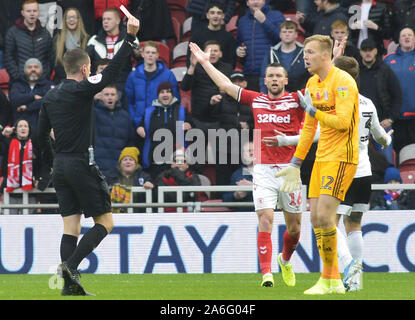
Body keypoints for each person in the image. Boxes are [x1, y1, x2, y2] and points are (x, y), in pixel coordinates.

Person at [37, 15, 140, 296]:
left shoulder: (49, 97)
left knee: (71, 226)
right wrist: (129, 39)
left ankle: (69, 288)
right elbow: (112, 73)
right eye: (90, 68)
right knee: (106, 222)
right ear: (85, 69)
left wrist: (46, 166)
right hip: (82, 163)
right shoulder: (83, 89)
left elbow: (40, 136)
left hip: (60, 165)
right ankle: (70, 266)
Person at [189, 41, 306, 288]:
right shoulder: (257, 100)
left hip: (290, 170)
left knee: (294, 228)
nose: (274, 79)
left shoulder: (298, 100)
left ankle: (285, 260)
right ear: (265, 80)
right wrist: (205, 63)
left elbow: (323, 86)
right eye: (270, 76)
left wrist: (335, 58)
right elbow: (225, 85)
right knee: (265, 219)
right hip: (263, 169)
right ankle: (266, 273)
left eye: (278, 76)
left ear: (285, 80)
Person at [275, 34, 360, 295]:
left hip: (342, 157)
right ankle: (332, 280)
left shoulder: (344, 82)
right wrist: (295, 162)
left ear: (326, 55)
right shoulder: (312, 83)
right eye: (305, 53)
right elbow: (310, 128)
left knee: (325, 216)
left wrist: (315, 111)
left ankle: (329, 278)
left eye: (310, 52)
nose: (305, 57)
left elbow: (344, 122)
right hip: (321, 158)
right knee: (314, 218)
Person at [332, 56, 392, 292]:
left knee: (328, 222)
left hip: (341, 169)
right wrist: (387, 139)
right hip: (364, 171)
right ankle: (355, 282)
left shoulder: (337, 103)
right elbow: (380, 137)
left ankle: (348, 269)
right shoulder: (367, 103)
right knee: (354, 223)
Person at [137, 81, 192, 180]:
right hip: (154, 161)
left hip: (175, 162)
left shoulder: (181, 110)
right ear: (158, 95)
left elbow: (192, 126)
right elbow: (141, 125)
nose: (165, 94)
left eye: (168, 92)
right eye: (162, 92)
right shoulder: (149, 111)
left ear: (172, 94)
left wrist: (188, 124)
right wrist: (139, 128)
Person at [358, 38, 401, 164]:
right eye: (364, 50)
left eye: (370, 50)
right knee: (358, 160)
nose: (367, 53)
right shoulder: (356, 72)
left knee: (386, 160)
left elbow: (397, 96)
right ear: (360, 52)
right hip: (360, 123)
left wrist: (390, 119)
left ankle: (387, 182)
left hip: (382, 123)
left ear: (376, 51)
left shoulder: (385, 70)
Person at [125, 41, 180, 131]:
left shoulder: (168, 75)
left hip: (162, 125)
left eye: (153, 52)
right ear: (142, 54)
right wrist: (134, 120)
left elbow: (175, 100)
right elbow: (128, 102)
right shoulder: (133, 76)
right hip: (138, 126)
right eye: (147, 52)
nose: (150, 55)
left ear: (157, 55)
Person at [181, 40, 232, 137]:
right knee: (198, 151)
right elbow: (185, 87)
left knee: (218, 151)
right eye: (209, 51)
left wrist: (225, 91)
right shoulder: (197, 67)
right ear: (203, 54)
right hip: (199, 118)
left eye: (215, 51)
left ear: (220, 54)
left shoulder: (227, 68)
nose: (212, 53)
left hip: (220, 118)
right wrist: (192, 66)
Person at [235, 0, 285, 91]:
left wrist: (264, 21)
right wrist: (239, 51)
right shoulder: (242, 21)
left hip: (271, 73)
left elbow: (282, 38)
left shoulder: (276, 15)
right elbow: (239, 43)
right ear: (247, 3)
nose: (255, 2)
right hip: (249, 72)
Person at [86, 8, 139, 91]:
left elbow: (138, 58)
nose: (105, 22)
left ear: (118, 20)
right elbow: (87, 62)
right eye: (103, 19)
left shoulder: (131, 37)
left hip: (122, 83)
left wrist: (138, 54)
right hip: (100, 84)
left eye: (109, 19)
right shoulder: (94, 40)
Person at [94, 84, 137, 181]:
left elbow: (130, 141)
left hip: (119, 169)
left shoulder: (125, 116)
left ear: (117, 97)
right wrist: (92, 101)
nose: (110, 97)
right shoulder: (93, 113)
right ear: (101, 96)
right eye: (106, 94)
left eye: (113, 94)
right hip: (99, 166)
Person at [384, 27, 415, 158]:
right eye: (403, 36)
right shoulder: (388, 59)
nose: (407, 37)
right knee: (397, 152)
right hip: (395, 117)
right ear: (399, 40)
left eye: (409, 35)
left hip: (414, 118)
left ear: (414, 39)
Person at [4, 0, 53, 82]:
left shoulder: (45, 34)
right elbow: (8, 58)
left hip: (42, 82)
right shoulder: (12, 33)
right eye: (28, 11)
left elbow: (50, 58)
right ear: (23, 13)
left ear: (38, 12)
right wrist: (18, 77)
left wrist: (44, 75)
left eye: (34, 11)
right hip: (19, 82)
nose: (32, 14)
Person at [260, 20, 310, 93]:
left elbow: (311, 75)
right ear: (280, 34)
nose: (287, 34)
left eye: (290, 32)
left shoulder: (305, 52)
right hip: (276, 95)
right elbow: (263, 75)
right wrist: (264, 93)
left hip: (300, 94)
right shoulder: (271, 53)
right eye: (284, 32)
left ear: (296, 34)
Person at [9, 58, 54, 134]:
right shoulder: (17, 84)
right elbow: (14, 100)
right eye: (29, 67)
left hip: (41, 127)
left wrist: (27, 107)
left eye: (36, 67)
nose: (33, 69)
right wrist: (33, 97)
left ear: (41, 70)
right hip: (21, 129)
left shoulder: (48, 85)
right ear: (24, 70)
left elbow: (49, 101)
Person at [187, 2, 236, 68]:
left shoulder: (229, 38)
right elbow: (190, 59)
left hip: (221, 75)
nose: (215, 16)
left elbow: (231, 62)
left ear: (223, 16)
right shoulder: (197, 36)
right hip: (201, 75)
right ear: (207, 15)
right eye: (212, 13)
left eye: (219, 13)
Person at [107, 146, 154, 213]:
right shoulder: (111, 176)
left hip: (138, 214)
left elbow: (154, 193)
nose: (128, 162)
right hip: (116, 214)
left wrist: (151, 185)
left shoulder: (144, 176)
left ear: (136, 164)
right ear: (120, 163)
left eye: (131, 159)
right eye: (125, 159)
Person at [51, 7, 90, 85]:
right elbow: (55, 63)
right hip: (62, 81)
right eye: (68, 17)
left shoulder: (87, 39)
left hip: (82, 81)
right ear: (64, 21)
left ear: (79, 20)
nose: (71, 20)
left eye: (74, 17)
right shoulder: (57, 40)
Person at [222, 140, 254, 211]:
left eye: (255, 151)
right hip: (245, 217)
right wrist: (236, 195)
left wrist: (254, 186)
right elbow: (226, 200)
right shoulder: (237, 174)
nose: (252, 153)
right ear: (243, 155)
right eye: (249, 151)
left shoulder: (269, 172)